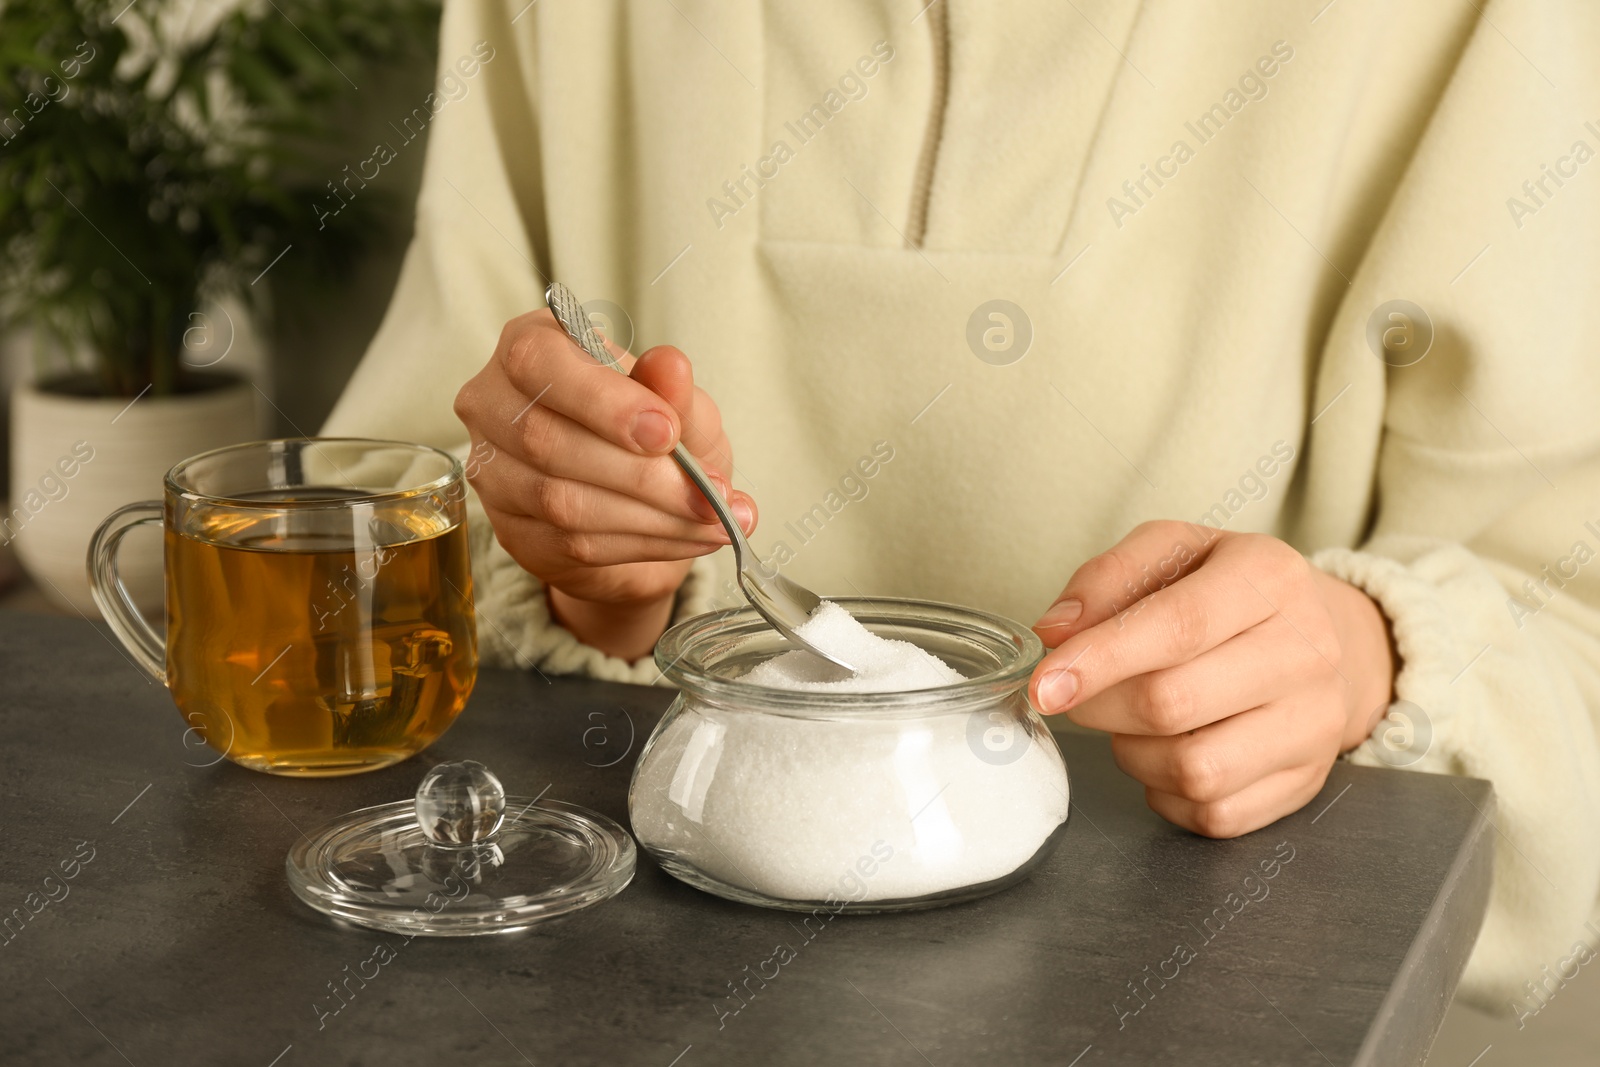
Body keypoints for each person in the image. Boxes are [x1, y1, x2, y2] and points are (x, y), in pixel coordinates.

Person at [324, 0, 1600, 1010]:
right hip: (595, 1000)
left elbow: (1573, 625)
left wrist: (1365, 650)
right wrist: (588, 567)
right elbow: (363, 531)